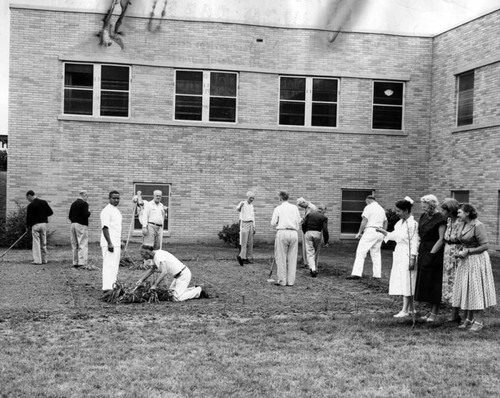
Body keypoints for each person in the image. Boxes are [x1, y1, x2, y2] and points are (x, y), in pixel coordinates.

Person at [452, 203, 496, 331]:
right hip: (466, 260)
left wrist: (468, 251)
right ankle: (469, 319)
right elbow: (464, 241)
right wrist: (461, 252)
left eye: (460, 212)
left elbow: (485, 246)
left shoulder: (478, 225)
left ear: (468, 213)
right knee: (467, 288)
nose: (457, 214)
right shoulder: (462, 224)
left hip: (477, 260)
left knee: (476, 290)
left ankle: (479, 321)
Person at [377, 197, 420, 317]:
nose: (397, 213)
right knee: (402, 279)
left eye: (398, 211)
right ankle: (411, 308)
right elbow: (395, 236)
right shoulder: (399, 223)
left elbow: (415, 241)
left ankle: (405, 310)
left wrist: (413, 257)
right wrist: (384, 232)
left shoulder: (413, 224)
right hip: (399, 252)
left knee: (408, 279)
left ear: (406, 210)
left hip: (408, 253)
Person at [414, 194, 446, 322]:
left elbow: (441, 239)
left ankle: (435, 312)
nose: (423, 208)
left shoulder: (441, 218)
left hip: (435, 251)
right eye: (422, 205)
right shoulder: (423, 216)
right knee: (425, 281)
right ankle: (429, 311)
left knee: (434, 281)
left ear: (432, 205)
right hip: (423, 249)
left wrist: (432, 254)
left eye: (425, 205)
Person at [136, 245, 208, 301]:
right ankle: (193, 289)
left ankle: (198, 291)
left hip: (183, 275)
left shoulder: (158, 256)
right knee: (170, 294)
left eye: (142, 254)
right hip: (177, 276)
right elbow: (152, 270)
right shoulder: (155, 256)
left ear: (147, 253)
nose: (142, 257)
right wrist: (141, 280)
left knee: (176, 298)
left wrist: (155, 285)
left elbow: (164, 272)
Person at [346, 195, 387, 280]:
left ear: (368, 201)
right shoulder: (381, 209)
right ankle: (377, 275)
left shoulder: (368, 207)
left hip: (370, 230)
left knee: (361, 252)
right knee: (376, 254)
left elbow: (364, 220)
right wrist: (384, 233)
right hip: (379, 232)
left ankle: (356, 273)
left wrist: (359, 232)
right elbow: (386, 222)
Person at [271, 191, 302, 286]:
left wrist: (279, 221)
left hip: (282, 232)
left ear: (280, 198)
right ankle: (291, 281)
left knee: (281, 257)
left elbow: (273, 223)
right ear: (288, 198)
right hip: (293, 233)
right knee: (292, 258)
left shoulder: (278, 208)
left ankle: (282, 281)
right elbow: (299, 220)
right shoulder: (294, 208)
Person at [440, 198, 462, 322]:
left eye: (444, 210)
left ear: (450, 210)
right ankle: (453, 313)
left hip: (457, 252)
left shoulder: (460, 221)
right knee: (449, 281)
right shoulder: (448, 220)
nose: (442, 212)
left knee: (456, 281)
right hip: (448, 252)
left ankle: (459, 313)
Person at [100, 190, 122, 292]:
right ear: (109, 199)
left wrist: (119, 241)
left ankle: (113, 285)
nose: (116, 200)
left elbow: (116, 228)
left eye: (118, 198)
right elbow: (105, 228)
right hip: (109, 243)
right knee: (109, 265)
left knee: (114, 265)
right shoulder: (106, 211)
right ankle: (107, 287)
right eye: (114, 198)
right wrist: (109, 242)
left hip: (116, 242)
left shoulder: (116, 211)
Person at [26, 190, 54, 265]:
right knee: (43, 242)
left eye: (28, 198)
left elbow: (29, 218)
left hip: (35, 225)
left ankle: (38, 260)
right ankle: (44, 259)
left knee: (36, 243)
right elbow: (51, 212)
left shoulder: (30, 205)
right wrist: (43, 215)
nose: (28, 200)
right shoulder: (44, 202)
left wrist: (27, 226)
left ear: (30, 196)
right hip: (43, 224)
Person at [301, 205, 329, 277]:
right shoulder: (324, 217)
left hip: (308, 233)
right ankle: (314, 268)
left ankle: (312, 268)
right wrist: (326, 241)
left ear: (317, 209)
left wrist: (305, 232)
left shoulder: (309, 214)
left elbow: (303, 224)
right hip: (317, 234)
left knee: (310, 252)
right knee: (316, 252)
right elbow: (325, 230)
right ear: (323, 210)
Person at [68, 190, 91, 268]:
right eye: (87, 196)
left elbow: (69, 215)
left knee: (74, 244)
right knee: (82, 243)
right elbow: (85, 214)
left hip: (73, 224)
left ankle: (75, 262)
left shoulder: (73, 204)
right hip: (81, 224)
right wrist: (89, 212)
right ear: (84, 195)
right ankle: (82, 262)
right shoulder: (84, 204)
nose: (87, 198)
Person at [236, 191, 256, 266]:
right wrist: (240, 206)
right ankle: (242, 257)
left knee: (250, 242)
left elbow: (253, 216)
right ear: (247, 197)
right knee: (243, 242)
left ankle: (247, 257)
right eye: (251, 198)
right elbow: (238, 209)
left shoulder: (252, 205)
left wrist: (254, 226)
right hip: (244, 223)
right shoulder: (242, 203)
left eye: (253, 198)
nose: (252, 199)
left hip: (251, 223)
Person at [296, 197, 317, 268]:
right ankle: (306, 262)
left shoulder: (310, 207)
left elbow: (308, 218)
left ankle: (309, 263)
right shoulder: (307, 207)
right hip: (307, 228)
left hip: (309, 228)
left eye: (301, 205)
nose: (301, 207)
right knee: (306, 246)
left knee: (308, 246)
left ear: (304, 202)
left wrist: (302, 219)